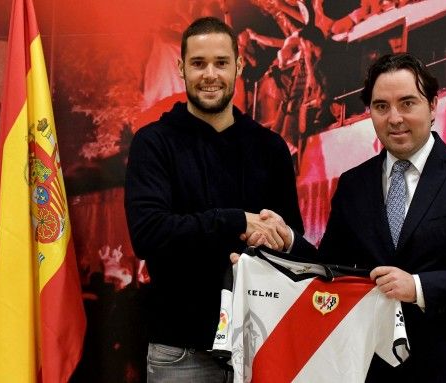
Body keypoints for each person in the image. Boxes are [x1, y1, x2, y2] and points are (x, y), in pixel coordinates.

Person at [124, 16, 314, 383]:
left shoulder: (271, 149)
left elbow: (294, 245)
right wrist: (237, 221)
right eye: (198, 63)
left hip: (265, 350)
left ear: (239, 66)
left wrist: (279, 237)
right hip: (181, 352)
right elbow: (148, 234)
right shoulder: (153, 143)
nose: (210, 74)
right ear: (181, 68)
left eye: (221, 63)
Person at [318, 52, 446, 382]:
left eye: (407, 103)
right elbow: (330, 268)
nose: (394, 118)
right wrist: (281, 246)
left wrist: (417, 287)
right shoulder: (353, 184)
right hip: (378, 370)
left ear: (433, 106)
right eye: (381, 106)